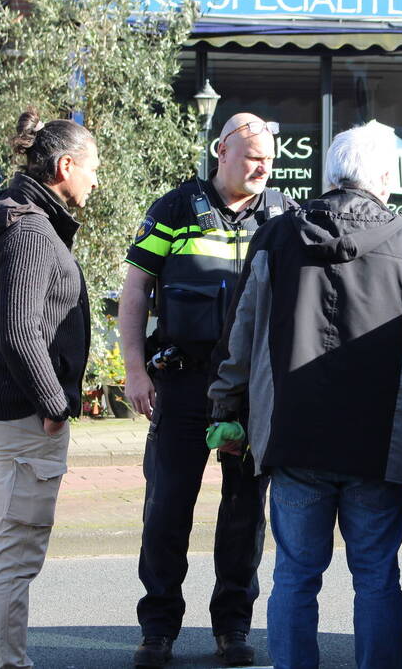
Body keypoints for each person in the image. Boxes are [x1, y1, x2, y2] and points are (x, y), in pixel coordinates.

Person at [208, 120, 402, 669]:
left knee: (295, 575)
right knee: (375, 576)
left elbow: (242, 337)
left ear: (331, 174)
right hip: (378, 441)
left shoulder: (275, 238)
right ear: (384, 179)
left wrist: (228, 409)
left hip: (295, 437)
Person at [119, 112, 296, 668]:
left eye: (269, 156)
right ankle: (158, 630)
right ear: (221, 151)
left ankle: (233, 628)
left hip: (251, 391)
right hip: (182, 382)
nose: (263, 164)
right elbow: (135, 292)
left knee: (244, 513)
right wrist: (134, 370)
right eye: (252, 155)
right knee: (167, 507)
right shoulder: (175, 208)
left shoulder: (284, 216)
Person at [0, 107, 99, 669]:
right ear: (65, 165)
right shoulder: (29, 231)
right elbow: (20, 331)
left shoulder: (14, 215)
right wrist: (55, 405)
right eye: (93, 168)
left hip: (4, 406)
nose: (97, 180)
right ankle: (4, 663)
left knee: (2, 543)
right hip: (24, 414)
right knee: (17, 551)